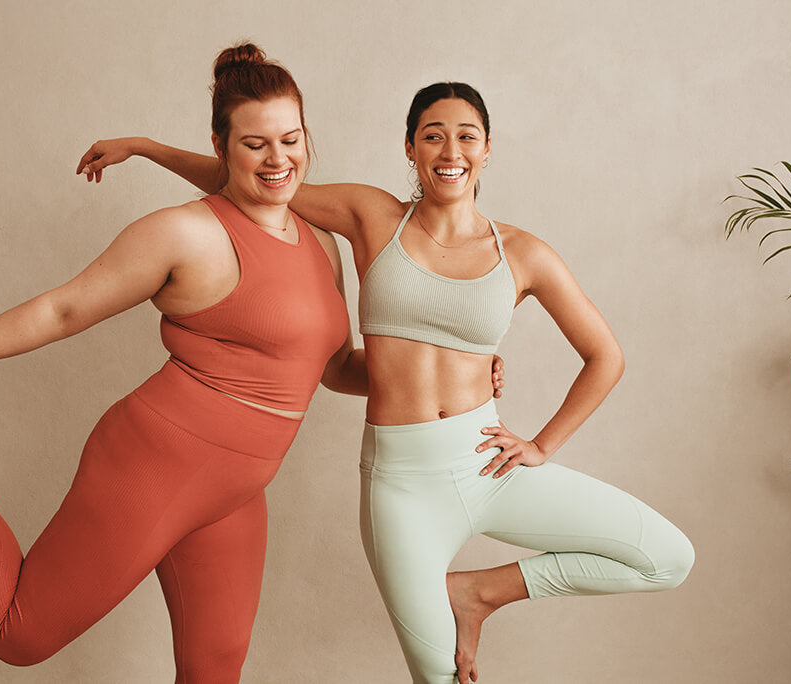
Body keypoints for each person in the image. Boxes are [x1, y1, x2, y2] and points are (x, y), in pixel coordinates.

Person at [78, 81, 695, 684]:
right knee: (438, 676)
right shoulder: (373, 216)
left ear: (487, 149)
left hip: (486, 463)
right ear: (410, 148)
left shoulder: (525, 253)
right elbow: (256, 181)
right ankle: (462, 600)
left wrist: (542, 445)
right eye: (433, 136)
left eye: (466, 137)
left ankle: (478, 593)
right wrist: (146, 147)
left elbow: (604, 356)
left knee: (667, 558)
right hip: (402, 484)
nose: (450, 152)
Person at [0, 43, 368, 683]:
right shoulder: (185, 234)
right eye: (255, 144)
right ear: (220, 144)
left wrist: (455, 379)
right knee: (20, 633)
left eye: (290, 139)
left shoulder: (322, 244)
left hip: (238, 489)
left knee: (214, 672)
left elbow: (337, 370)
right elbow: (62, 310)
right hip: (159, 460)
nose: (278, 158)